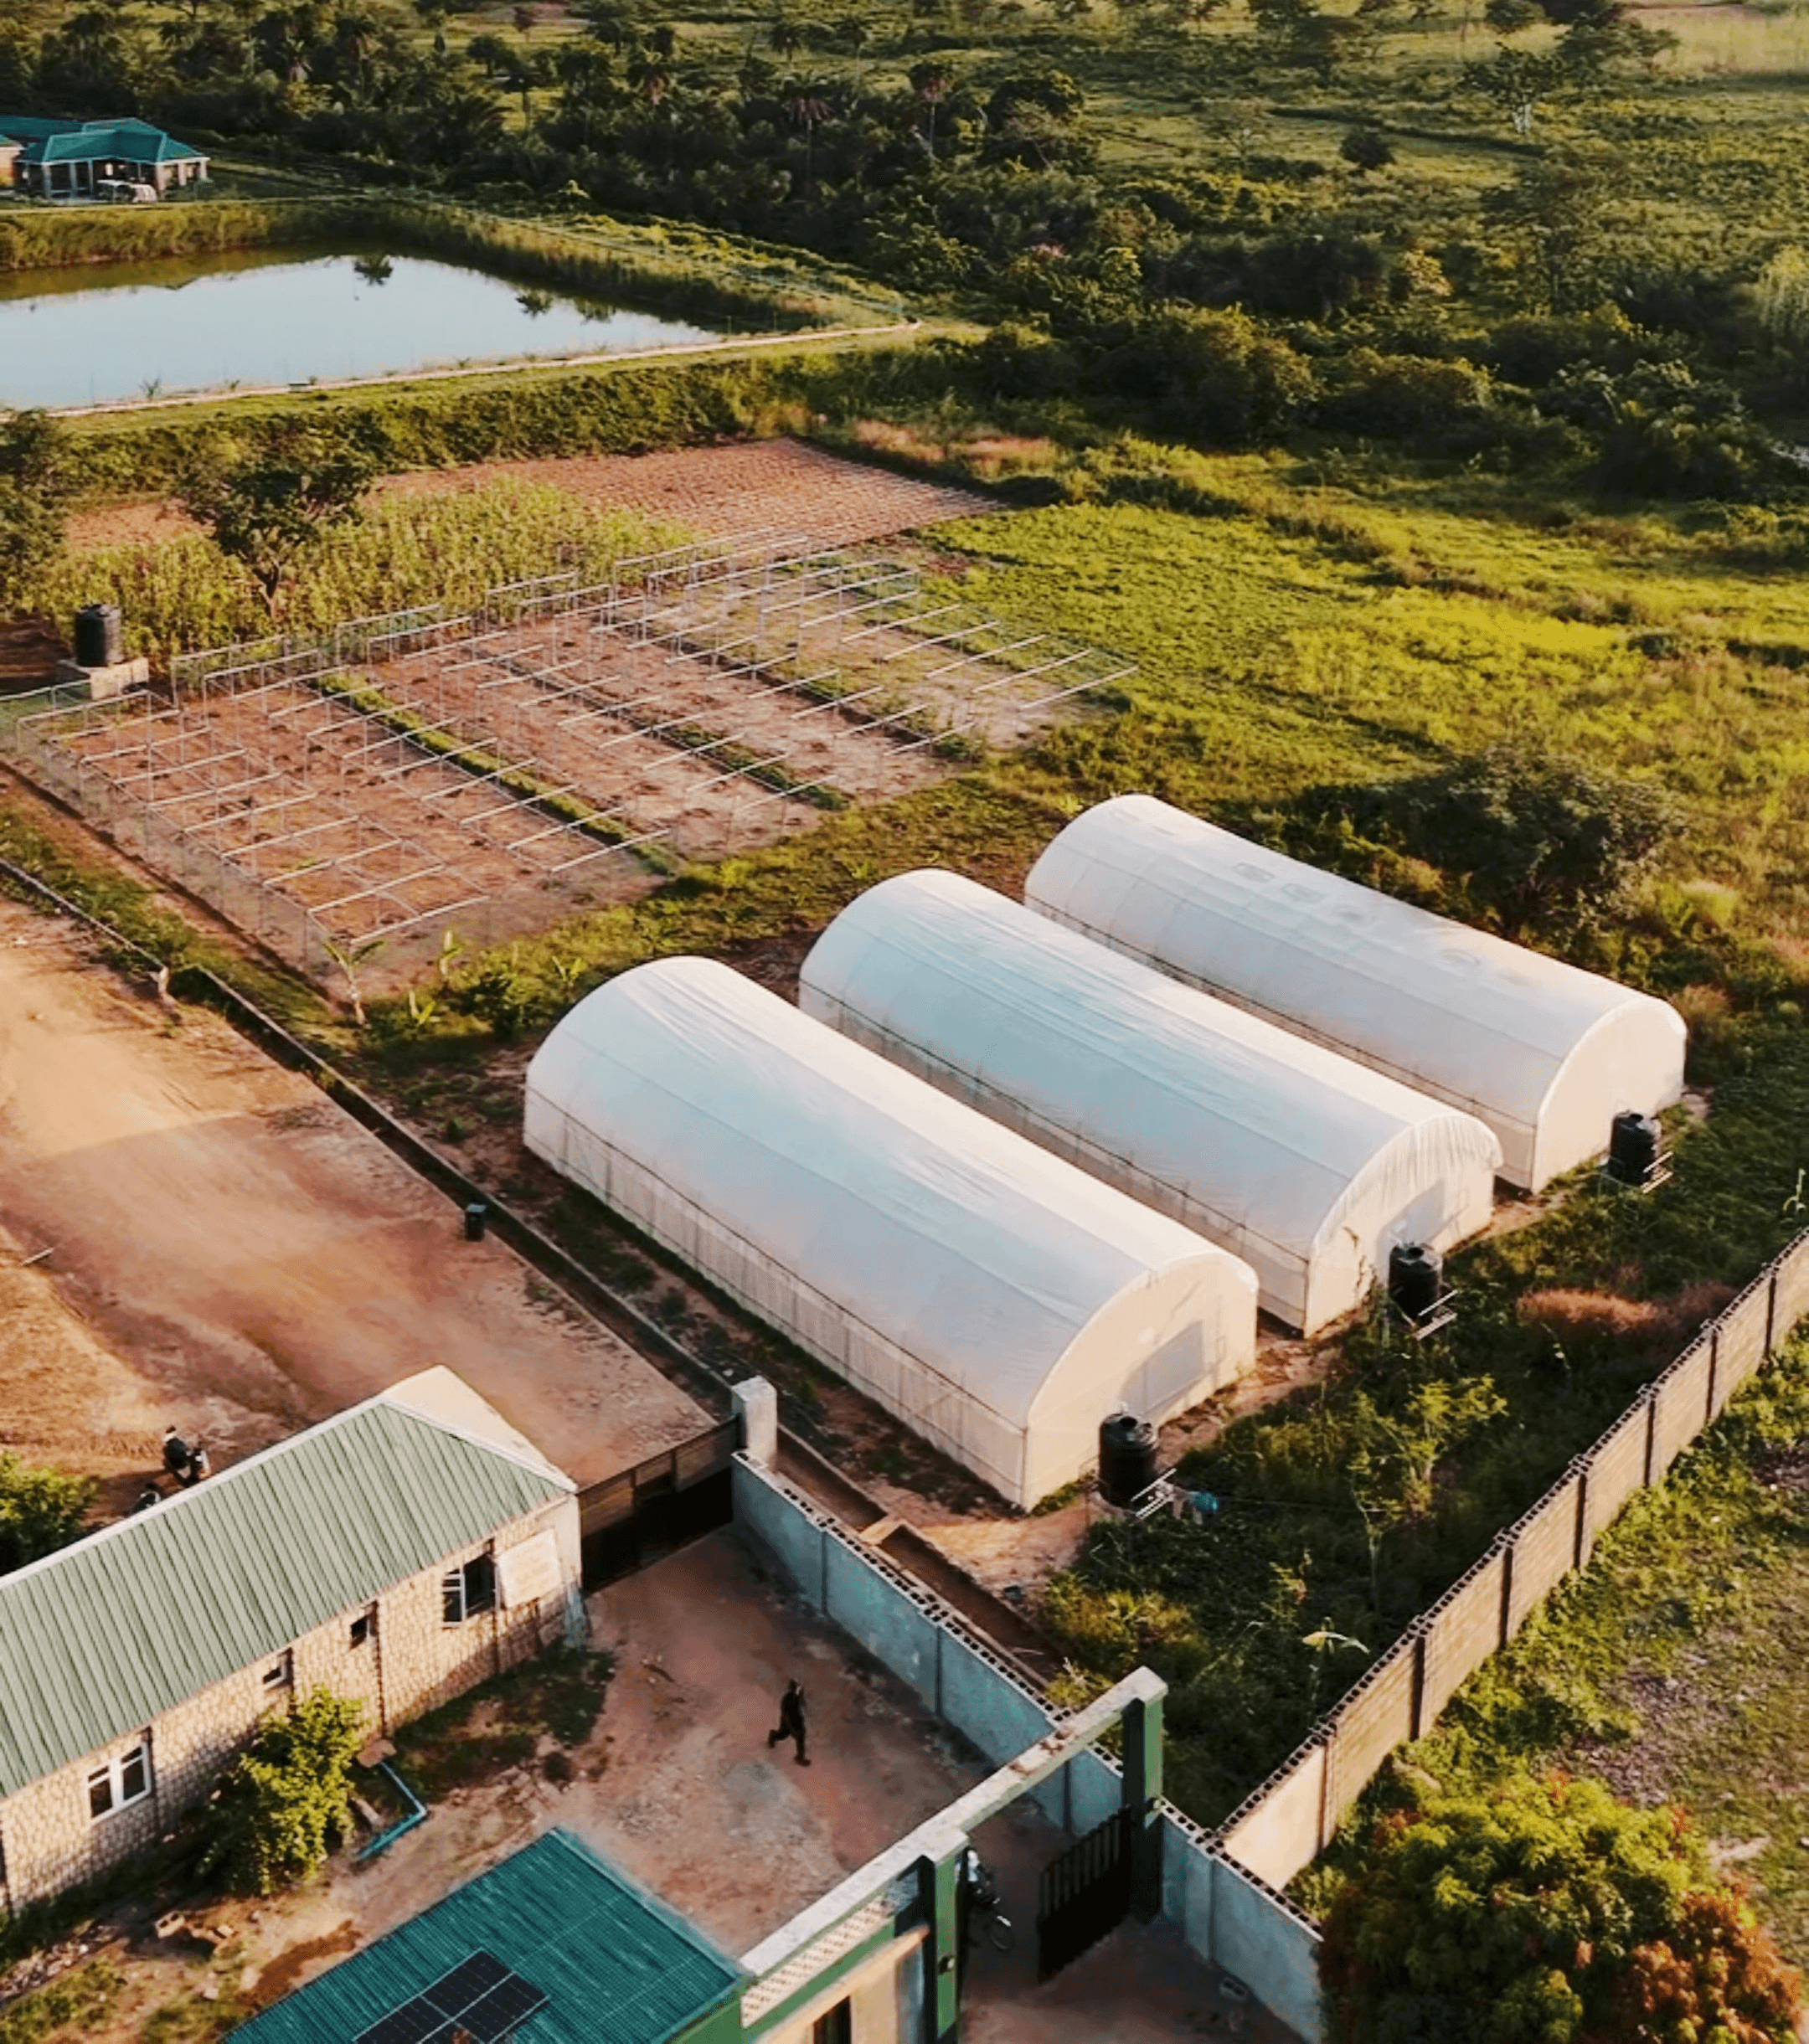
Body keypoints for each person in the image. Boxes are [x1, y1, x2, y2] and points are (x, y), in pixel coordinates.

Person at [767, 1678, 809, 1765]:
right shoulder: (787, 1699)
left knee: (800, 1737)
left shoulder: (798, 1698)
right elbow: (786, 1716)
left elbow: (803, 1707)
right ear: (792, 1689)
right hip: (787, 1722)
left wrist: (801, 1722)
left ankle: (800, 1758)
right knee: (783, 1735)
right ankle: (773, 1735)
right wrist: (791, 1728)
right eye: (797, 1689)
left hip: (797, 1721)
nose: (799, 1691)